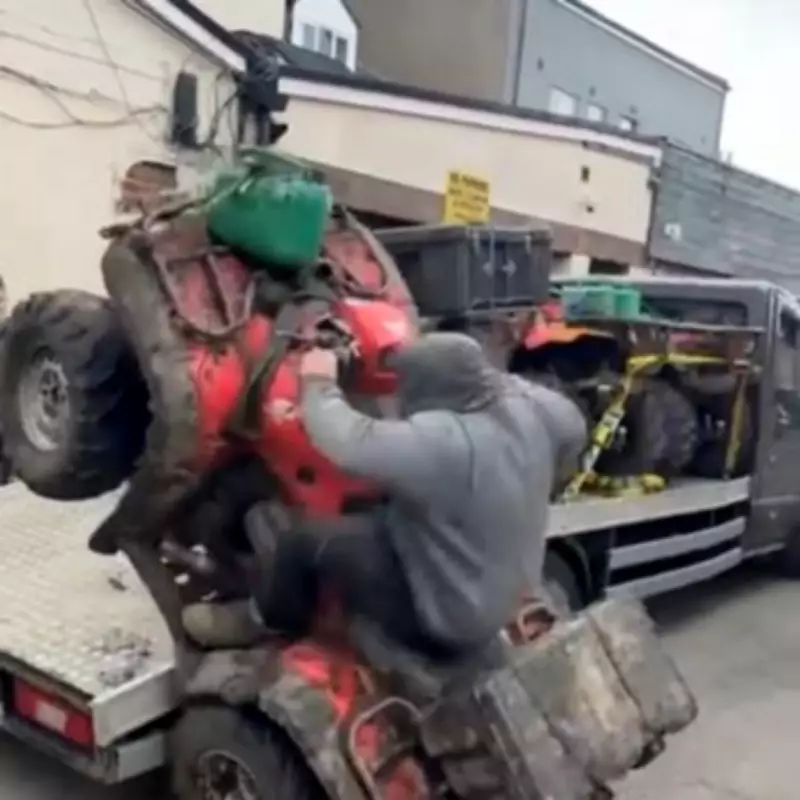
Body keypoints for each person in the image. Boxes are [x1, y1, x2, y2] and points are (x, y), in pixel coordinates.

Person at [182, 332, 587, 658]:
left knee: (303, 541)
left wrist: (318, 382)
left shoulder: (447, 443)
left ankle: (264, 619)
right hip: (506, 586)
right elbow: (576, 429)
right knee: (378, 506)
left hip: (448, 618)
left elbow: (350, 442)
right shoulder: (535, 411)